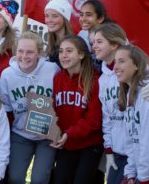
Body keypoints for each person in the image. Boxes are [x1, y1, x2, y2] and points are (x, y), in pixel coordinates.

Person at [0, 31, 60, 184]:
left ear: (39, 53)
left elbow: (61, 102)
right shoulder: (7, 75)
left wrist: (58, 130)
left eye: (30, 52)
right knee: (15, 177)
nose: (24, 56)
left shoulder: (52, 69)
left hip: (46, 136)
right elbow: (5, 109)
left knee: (39, 179)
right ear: (15, 51)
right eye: (20, 51)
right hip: (21, 134)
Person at [51, 35, 103, 184]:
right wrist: (51, 131)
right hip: (66, 144)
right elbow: (53, 110)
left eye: (69, 51)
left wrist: (69, 133)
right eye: (61, 51)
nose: (64, 55)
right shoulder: (58, 78)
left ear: (81, 54)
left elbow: (93, 120)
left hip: (89, 144)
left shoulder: (95, 80)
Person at [92, 23, 129, 184]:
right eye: (94, 42)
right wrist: (108, 149)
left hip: (138, 152)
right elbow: (107, 117)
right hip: (116, 152)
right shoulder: (103, 79)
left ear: (114, 44)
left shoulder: (135, 71)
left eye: (99, 42)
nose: (94, 46)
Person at [114, 45, 149, 184]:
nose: (115, 67)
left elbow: (148, 140)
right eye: (115, 61)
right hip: (140, 173)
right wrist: (130, 173)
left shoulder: (147, 93)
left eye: (122, 61)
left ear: (136, 65)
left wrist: (144, 178)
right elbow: (131, 139)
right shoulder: (130, 93)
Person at [44, 0, 73, 67]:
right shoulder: (50, 44)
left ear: (65, 19)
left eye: (54, 16)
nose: (49, 20)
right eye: (47, 16)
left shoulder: (73, 44)